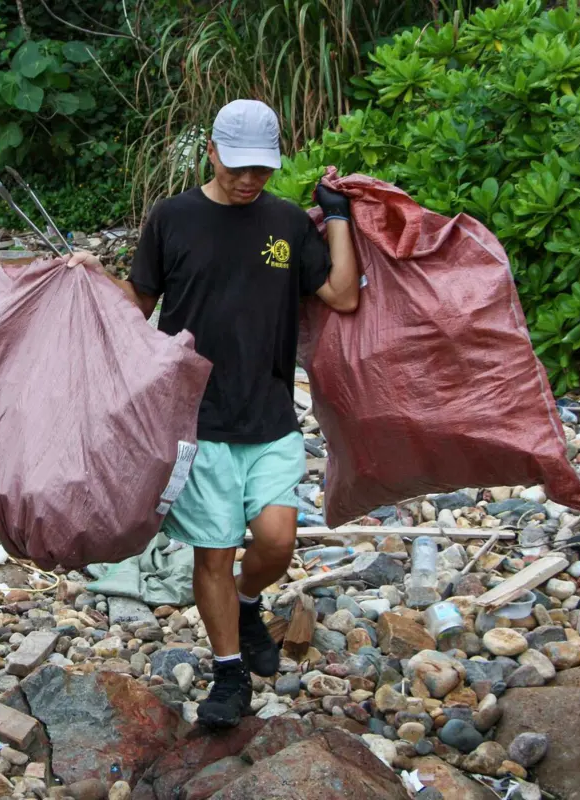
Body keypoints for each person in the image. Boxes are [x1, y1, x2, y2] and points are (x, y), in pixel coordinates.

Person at [69, 99, 359, 730]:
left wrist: (336, 218)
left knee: (278, 539)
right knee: (214, 553)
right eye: (237, 166)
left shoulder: (286, 221)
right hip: (197, 421)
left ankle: (249, 603)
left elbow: (341, 293)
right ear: (212, 152)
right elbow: (139, 302)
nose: (249, 179)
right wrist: (96, 277)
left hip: (271, 413)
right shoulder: (172, 217)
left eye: (260, 168)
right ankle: (229, 675)